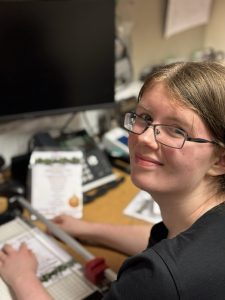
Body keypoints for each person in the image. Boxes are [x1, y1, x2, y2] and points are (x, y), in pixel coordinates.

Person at [1, 61, 225, 299]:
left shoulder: (160, 279)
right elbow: (171, 237)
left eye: (177, 130)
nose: (146, 138)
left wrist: (22, 276)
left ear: (219, 161)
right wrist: (89, 229)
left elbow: (168, 265)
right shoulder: (202, 224)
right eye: (145, 117)